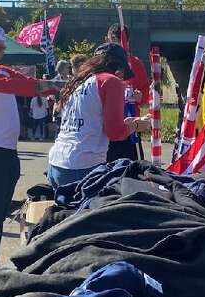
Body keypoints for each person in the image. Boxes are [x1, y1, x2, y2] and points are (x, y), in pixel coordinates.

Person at [0, 23, 57, 282]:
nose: (2, 51)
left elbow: (29, 82)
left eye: (3, 47)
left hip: (5, 149)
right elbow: (27, 87)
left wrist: (55, 85)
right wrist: (56, 85)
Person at [48, 43, 151, 189]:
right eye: (123, 72)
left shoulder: (78, 81)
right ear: (118, 67)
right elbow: (115, 133)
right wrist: (136, 125)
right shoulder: (110, 81)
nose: (122, 78)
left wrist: (128, 123)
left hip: (57, 162)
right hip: (83, 166)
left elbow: (91, 121)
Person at [104, 24, 150, 162]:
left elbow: (145, 91)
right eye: (113, 39)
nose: (117, 43)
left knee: (132, 166)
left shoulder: (134, 63)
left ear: (127, 42)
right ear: (107, 39)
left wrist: (140, 96)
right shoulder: (102, 62)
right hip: (108, 126)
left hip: (131, 125)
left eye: (120, 40)